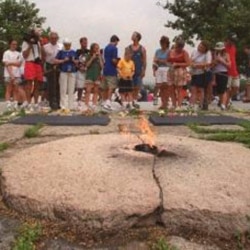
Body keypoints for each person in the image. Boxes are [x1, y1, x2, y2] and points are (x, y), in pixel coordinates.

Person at [21, 26, 45, 110]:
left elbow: (42, 55)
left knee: (38, 84)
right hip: (30, 62)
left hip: (37, 63)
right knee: (29, 84)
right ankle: (28, 102)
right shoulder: (26, 42)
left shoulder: (38, 42)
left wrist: (41, 44)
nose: (39, 33)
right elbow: (25, 55)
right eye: (37, 32)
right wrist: (30, 45)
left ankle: (36, 103)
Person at [54, 38, 77, 112]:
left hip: (72, 71)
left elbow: (77, 61)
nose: (68, 46)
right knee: (63, 89)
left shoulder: (73, 52)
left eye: (69, 45)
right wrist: (63, 60)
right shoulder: (61, 52)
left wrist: (73, 60)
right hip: (63, 71)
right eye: (66, 45)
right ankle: (63, 105)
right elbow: (55, 60)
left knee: (71, 89)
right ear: (64, 45)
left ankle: (71, 105)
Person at [2, 39, 27, 110]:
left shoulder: (18, 54)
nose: (14, 46)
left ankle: (15, 103)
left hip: (17, 74)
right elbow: (6, 64)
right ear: (10, 44)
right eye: (13, 44)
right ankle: (8, 104)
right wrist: (11, 75)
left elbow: (19, 64)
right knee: (9, 89)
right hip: (8, 74)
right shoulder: (6, 53)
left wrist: (10, 63)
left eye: (16, 44)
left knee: (16, 89)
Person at [167, 38, 190, 109]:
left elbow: (188, 63)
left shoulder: (184, 53)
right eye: (177, 46)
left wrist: (177, 64)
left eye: (180, 47)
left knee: (179, 89)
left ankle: (179, 106)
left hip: (180, 71)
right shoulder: (170, 51)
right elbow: (167, 60)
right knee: (171, 88)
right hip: (171, 70)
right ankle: (173, 104)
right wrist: (169, 64)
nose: (178, 48)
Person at [190, 40, 212, 110]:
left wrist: (198, 65)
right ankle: (192, 105)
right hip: (194, 73)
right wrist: (192, 64)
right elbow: (190, 60)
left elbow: (208, 63)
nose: (199, 47)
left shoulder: (207, 53)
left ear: (205, 49)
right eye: (199, 46)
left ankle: (200, 105)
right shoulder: (194, 51)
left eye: (202, 47)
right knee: (193, 89)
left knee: (200, 89)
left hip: (202, 73)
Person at [126, 31, 147, 109]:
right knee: (129, 87)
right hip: (129, 71)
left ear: (137, 38)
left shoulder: (142, 49)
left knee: (137, 87)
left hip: (138, 70)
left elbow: (144, 61)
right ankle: (130, 102)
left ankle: (134, 102)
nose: (131, 36)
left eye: (133, 35)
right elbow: (125, 59)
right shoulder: (128, 48)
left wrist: (144, 70)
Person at [43, 31, 62, 110]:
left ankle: (58, 102)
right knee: (50, 85)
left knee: (59, 84)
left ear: (57, 38)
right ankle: (51, 102)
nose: (53, 39)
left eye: (55, 38)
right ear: (49, 38)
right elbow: (43, 58)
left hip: (59, 66)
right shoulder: (45, 47)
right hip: (49, 65)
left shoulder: (61, 46)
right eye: (52, 38)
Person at [101, 35, 120, 110]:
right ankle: (108, 102)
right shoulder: (114, 48)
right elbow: (113, 60)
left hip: (106, 68)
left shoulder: (106, 48)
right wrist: (118, 61)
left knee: (105, 86)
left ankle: (104, 100)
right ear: (115, 41)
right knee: (111, 87)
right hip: (112, 69)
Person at [152, 35, 170, 109]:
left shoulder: (169, 51)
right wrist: (154, 70)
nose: (162, 44)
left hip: (166, 69)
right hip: (159, 69)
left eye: (164, 43)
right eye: (161, 43)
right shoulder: (157, 51)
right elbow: (155, 61)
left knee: (165, 86)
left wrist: (160, 60)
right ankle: (162, 102)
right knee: (159, 85)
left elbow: (168, 62)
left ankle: (166, 102)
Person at [85, 43, 104, 110]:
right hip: (90, 75)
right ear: (92, 49)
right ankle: (86, 104)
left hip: (97, 75)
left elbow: (102, 66)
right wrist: (92, 58)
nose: (97, 49)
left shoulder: (100, 56)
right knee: (88, 90)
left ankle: (94, 104)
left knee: (96, 90)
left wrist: (99, 57)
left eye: (98, 48)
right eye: (96, 48)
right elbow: (87, 65)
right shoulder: (88, 55)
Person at [212, 42, 231, 110]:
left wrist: (222, 61)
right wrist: (215, 62)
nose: (218, 50)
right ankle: (221, 102)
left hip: (223, 73)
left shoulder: (226, 55)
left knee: (224, 89)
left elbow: (229, 65)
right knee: (219, 90)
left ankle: (223, 104)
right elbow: (212, 66)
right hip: (216, 73)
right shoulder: (215, 54)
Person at [225, 33, 240, 106]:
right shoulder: (223, 47)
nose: (233, 42)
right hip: (227, 71)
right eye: (232, 40)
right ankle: (226, 102)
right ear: (228, 39)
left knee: (236, 87)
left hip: (234, 70)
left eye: (234, 41)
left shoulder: (234, 47)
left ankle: (228, 98)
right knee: (228, 88)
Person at [75, 37, 89, 109]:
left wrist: (86, 67)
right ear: (80, 43)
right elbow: (75, 61)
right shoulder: (77, 52)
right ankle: (79, 99)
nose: (85, 44)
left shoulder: (89, 52)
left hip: (87, 70)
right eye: (84, 43)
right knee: (80, 86)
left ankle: (86, 100)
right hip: (79, 70)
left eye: (86, 43)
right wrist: (79, 67)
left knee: (87, 86)